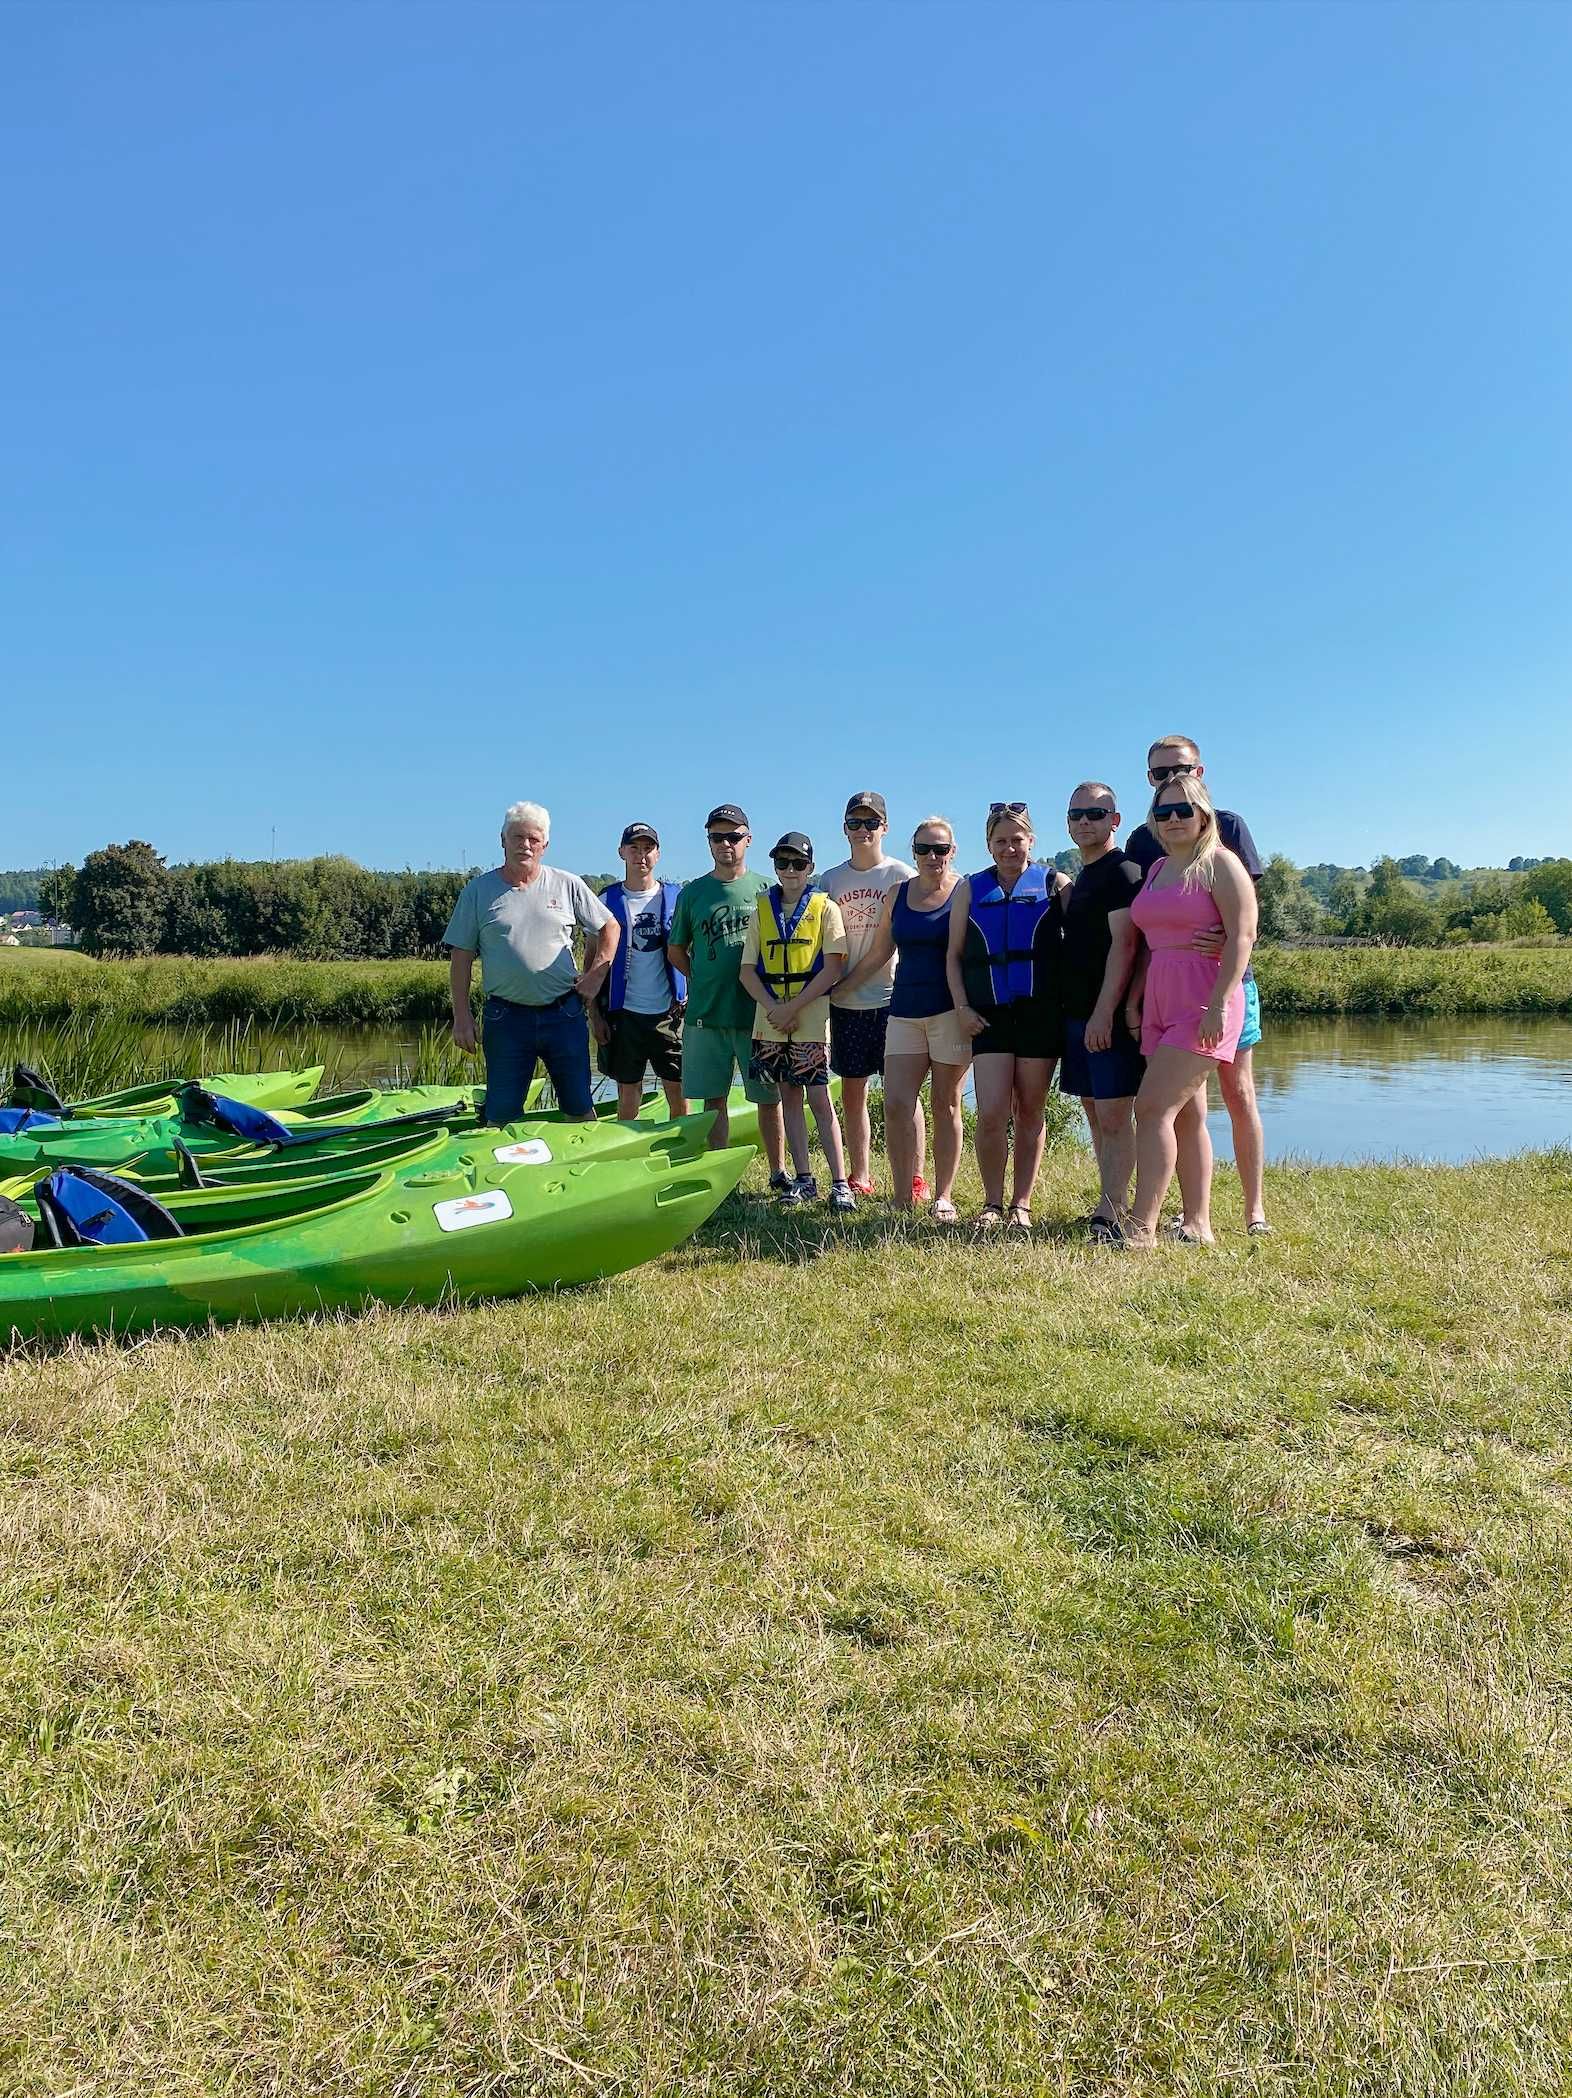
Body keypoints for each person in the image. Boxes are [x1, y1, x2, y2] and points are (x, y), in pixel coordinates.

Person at [1126, 735, 1269, 1233]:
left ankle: (1144, 1227)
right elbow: (1144, 935)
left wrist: (1218, 1004)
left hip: (1208, 997)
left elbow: (1244, 932)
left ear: (1203, 810)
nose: (1173, 817)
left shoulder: (1223, 857)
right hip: (1162, 998)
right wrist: (1136, 997)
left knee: (1154, 1106)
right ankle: (1198, 1222)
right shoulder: (1158, 865)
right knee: (1184, 1112)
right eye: (1163, 812)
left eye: (1183, 809)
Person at [445, 800, 617, 1124]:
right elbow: (461, 957)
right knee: (501, 1114)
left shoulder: (567, 884)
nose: (525, 845)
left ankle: (579, 1169)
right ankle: (504, 1171)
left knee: (579, 1107)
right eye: (517, 837)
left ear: (545, 845)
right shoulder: (478, 892)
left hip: (563, 1013)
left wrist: (597, 974)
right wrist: (462, 1016)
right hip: (506, 1018)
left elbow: (609, 927)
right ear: (503, 840)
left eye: (533, 839)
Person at [837, 816, 967, 1222]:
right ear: (914, 852)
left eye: (941, 849)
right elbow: (879, 952)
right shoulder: (898, 893)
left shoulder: (964, 891)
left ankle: (942, 1194)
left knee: (945, 1106)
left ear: (953, 851)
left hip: (949, 1012)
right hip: (904, 1011)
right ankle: (900, 1194)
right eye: (924, 849)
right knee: (895, 1103)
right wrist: (841, 988)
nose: (933, 856)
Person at [946, 804, 1067, 1235]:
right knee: (993, 1110)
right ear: (988, 846)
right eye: (1001, 841)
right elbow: (954, 957)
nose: (1010, 848)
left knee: (1031, 1110)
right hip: (989, 1015)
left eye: (1018, 839)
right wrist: (962, 1007)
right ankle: (992, 1202)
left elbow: (1088, 934)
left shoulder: (1055, 884)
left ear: (1031, 842)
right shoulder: (969, 889)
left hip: (1039, 1012)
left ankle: (1022, 1203)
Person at [667, 804, 788, 1182]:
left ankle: (779, 1171)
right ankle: (718, 1172)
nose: (725, 844)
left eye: (733, 837)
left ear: (748, 840)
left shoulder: (767, 890)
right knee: (712, 1098)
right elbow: (676, 949)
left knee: (769, 1099)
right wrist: (700, 977)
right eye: (717, 837)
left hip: (757, 1015)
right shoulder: (694, 893)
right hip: (706, 1013)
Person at [739, 832, 855, 1211]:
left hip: (810, 1017)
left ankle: (841, 1183)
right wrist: (775, 1006)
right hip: (769, 1017)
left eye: (799, 864)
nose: (790, 871)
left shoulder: (825, 908)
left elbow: (833, 967)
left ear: (810, 868)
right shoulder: (761, 911)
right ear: (774, 866)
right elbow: (747, 971)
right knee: (788, 1095)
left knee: (820, 1097)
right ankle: (804, 1179)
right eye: (783, 863)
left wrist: (794, 1007)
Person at [819, 791, 917, 1199]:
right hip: (844, 1004)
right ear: (844, 829)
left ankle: (914, 1175)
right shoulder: (829, 880)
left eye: (870, 823)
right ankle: (860, 1173)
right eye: (854, 823)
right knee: (853, 1090)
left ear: (885, 828)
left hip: (893, 1000)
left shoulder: (901, 875)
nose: (863, 831)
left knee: (905, 1096)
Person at [1058, 783, 1145, 1240]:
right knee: (1095, 1113)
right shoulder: (1085, 875)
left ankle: (1111, 1212)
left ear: (1115, 819)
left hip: (1104, 1016)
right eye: (1076, 815)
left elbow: (1125, 948)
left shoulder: (1123, 872)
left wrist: (1104, 1013)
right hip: (1076, 1013)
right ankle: (1113, 1199)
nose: (1085, 822)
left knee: (1115, 1115)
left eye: (1095, 813)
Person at [590, 822, 687, 1122]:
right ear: (622, 852)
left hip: (669, 1012)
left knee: (678, 1087)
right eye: (634, 848)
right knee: (628, 1089)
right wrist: (594, 1014)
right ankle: (627, 1154)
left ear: (658, 854)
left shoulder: (677, 898)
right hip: (624, 1013)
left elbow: (690, 952)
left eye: (648, 849)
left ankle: (680, 1145)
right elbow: (591, 960)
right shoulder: (605, 901)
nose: (641, 855)